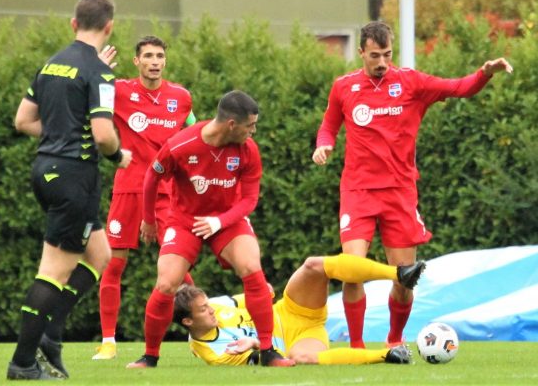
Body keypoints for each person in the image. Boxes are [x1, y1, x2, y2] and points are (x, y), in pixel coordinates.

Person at [312, 21, 513, 349]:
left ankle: (394, 341)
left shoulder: (411, 83)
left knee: (405, 275)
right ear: (361, 52)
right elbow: (328, 126)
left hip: (399, 191)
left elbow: (458, 87)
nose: (381, 62)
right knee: (352, 271)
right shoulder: (343, 87)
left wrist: (484, 73)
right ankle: (357, 347)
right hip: (358, 191)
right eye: (374, 55)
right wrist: (324, 145)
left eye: (387, 54)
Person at [7, 0, 131, 380]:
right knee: (53, 272)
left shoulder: (51, 64)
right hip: (74, 177)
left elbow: (23, 121)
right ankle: (23, 363)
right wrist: (118, 156)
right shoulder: (99, 72)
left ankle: (51, 335)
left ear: (73, 24)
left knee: (100, 254)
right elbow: (103, 134)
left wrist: (61, 131)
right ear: (109, 27)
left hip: (45, 171)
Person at [127, 90, 295, 368]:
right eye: (250, 125)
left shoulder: (248, 150)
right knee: (166, 283)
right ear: (232, 124)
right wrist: (148, 219)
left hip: (227, 219)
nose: (253, 131)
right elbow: (151, 177)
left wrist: (220, 221)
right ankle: (150, 356)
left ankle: (268, 352)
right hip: (185, 221)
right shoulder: (181, 145)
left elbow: (250, 200)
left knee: (252, 267)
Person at [92, 36, 197, 360]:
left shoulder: (180, 97)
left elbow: (194, 134)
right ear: (136, 61)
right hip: (128, 189)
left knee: (177, 267)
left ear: (165, 61)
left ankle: (199, 336)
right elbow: (92, 100)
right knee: (113, 264)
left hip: (167, 193)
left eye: (159, 56)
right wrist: (96, 69)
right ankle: (109, 341)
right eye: (148, 56)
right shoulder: (120, 90)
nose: (154, 61)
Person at [173, 254, 425, 366]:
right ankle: (389, 355)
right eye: (204, 310)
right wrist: (255, 345)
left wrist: (262, 290)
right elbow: (269, 360)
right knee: (303, 359)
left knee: (313, 265)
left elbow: (260, 296)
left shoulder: (217, 305)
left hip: (290, 309)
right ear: (187, 321)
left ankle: (399, 274)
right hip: (296, 341)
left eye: (208, 304)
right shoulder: (213, 354)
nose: (212, 310)